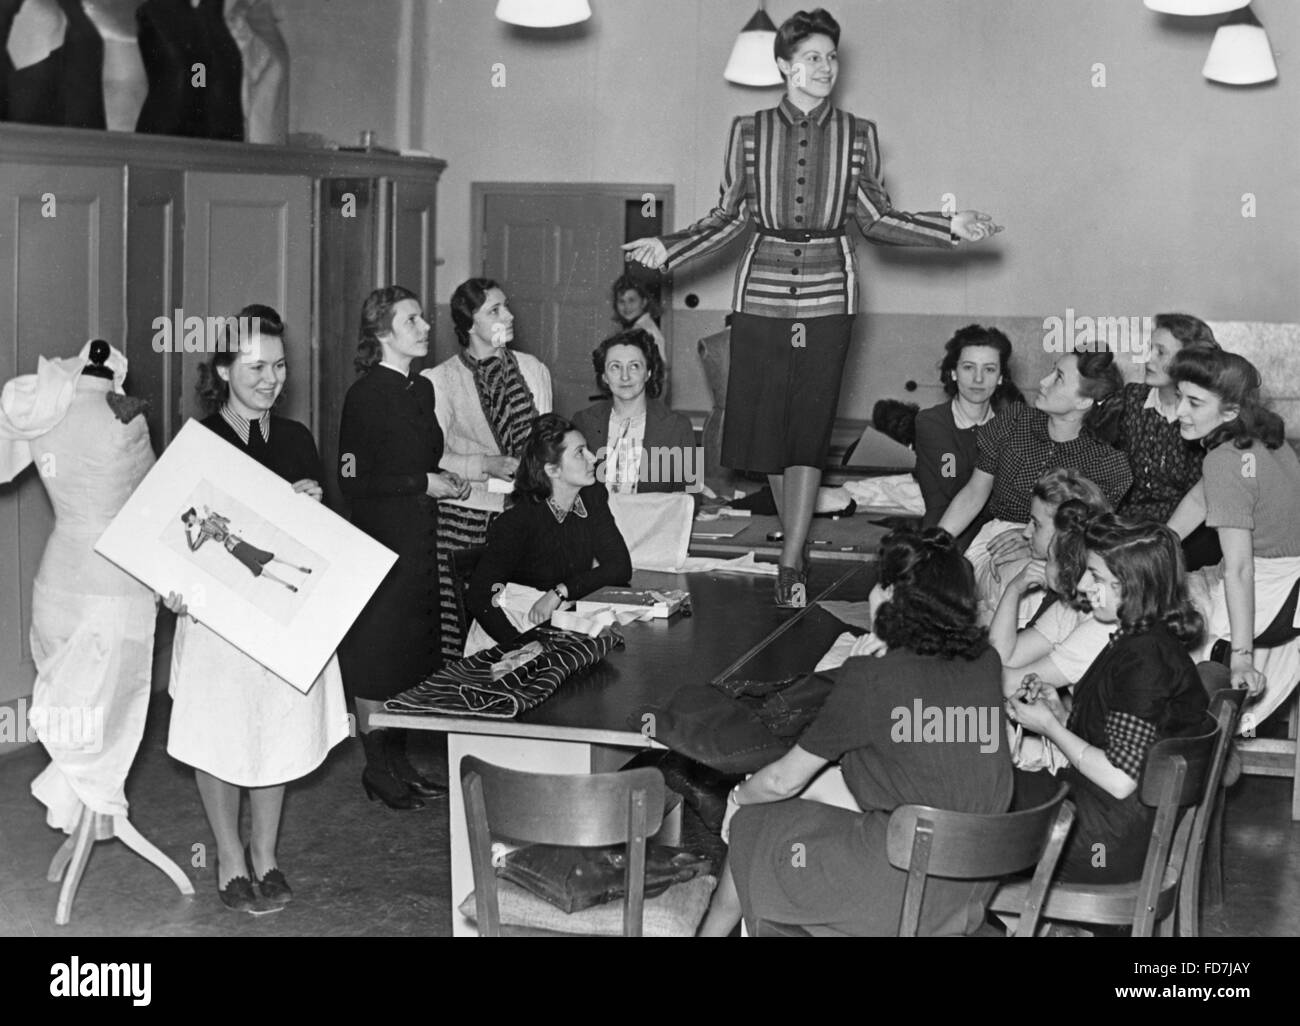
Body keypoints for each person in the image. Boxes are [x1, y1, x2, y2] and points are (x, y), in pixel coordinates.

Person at [623, 7, 1001, 606]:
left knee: (806, 431)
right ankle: (792, 542)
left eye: (831, 58)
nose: (825, 67)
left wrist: (947, 225)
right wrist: (668, 247)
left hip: (829, 295)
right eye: (813, 58)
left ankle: (791, 559)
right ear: (784, 66)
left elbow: (877, 220)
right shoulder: (748, 131)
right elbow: (730, 217)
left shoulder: (859, 134)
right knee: (765, 432)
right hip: (762, 295)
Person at [696, 528, 1011, 936]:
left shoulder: (873, 678)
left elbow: (780, 781)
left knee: (754, 824)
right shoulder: (985, 663)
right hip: (967, 890)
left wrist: (737, 800)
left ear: (893, 598)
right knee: (786, 810)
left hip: (899, 891)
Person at [163, 306, 350, 913]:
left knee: (276, 730)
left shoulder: (296, 440)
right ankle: (229, 854)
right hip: (216, 622)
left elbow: (324, 544)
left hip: (280, 618)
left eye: (279, 365)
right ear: (223, 368)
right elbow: (174, 537)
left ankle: (266, 853)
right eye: (255, 367)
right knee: (219, 731)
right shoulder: (198, 443)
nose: (271, 378)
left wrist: (314, 509)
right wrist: (170, 587)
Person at [1008, 516, 1209, 886]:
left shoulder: (1145, 658)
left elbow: (1120, 778)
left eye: (1096, 577)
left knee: (977, 804)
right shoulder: (1143, 640)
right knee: (987, 790)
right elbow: (1125, 741)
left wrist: (1049, 727)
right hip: (1109, 823)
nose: (1083, 585)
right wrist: (1062, 713)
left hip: (1103, 842)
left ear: (1132, 586)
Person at [338, 286, 470, 811]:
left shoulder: (421, 391)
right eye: (411, 320)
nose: (424, 327)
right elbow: (352, 478)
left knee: (408, 656)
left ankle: (399, 762)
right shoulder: (364, 395)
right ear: (382, 332)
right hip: (378, 543)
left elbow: (419, 460)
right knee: (376, 657)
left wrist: (443, 479)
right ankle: (377, 767)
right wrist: (422, 483)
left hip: (419, 542)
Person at [938, 350, 1133, 619]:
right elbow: (974, 493)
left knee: (1052, 586)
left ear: (1084, 400)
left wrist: (1035, 541)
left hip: (1064, 555)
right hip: (997, 543)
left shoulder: (1108, 462)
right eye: (1052, 371)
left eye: (1058, 378)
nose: (1043, 381)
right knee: (1023, 581)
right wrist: (934, 544)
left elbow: (1088, 539)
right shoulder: (1015, 421)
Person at [1169, 348, 1300, 723]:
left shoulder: (1224, 458)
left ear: (1229, 412)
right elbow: (1201, 494)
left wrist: (1242, 659)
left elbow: (1240, 569)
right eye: (1180, 396)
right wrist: (1161, 540)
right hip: (1289, 582)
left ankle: (1202, 739)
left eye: (1194, 402)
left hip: (1272, 592)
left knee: (1170, 623)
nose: (1180, 411)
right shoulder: (1263, 438)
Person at [423, 278, 552, 659]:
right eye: (494, 310)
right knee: (466, 633)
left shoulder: (533, 370)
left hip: (523, 520)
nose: (509, 316)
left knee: (523, 626)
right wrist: (485, 465)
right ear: (469, 324)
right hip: (465, 521)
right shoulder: (440, 380)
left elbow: (546, 443)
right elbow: (432, 457)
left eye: (506, 306)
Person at [466, 413, 632, 649]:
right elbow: (480, 596)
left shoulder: (591, 498)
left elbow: (619, 566)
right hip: (511, 629)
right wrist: (519, 646)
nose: (593, 458)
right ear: (553, 470)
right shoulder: (518, 522)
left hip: (558, 622)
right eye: (580, 452)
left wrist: (560, 592)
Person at [1115, 313, 1221, 569]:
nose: (1148, 358)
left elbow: (1204, 501)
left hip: (1187, 535)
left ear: (1190, 362)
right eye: (1150, 348)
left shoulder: (1206, 416)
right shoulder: (1132, 399)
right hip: (1127, 527)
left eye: (1160, 352)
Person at [914, 324, 1023, 548]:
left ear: (1001, 377)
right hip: (947, 538)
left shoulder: (1013, 425)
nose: (978, 379)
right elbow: (954, 484)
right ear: (953, 372)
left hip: (1000, 537)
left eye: (990, 369)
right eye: (968, 367)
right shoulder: (932, 422)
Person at [571, 327, 697, 494]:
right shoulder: (583, 422)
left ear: (648, 373)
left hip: (653, 519)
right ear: (604, 377)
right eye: (615, 367)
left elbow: (691, 494)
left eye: (634, 366)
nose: (625, 376)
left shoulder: (678, 426)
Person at [610, 272, 667, 369]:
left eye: (631, 300)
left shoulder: (642, 330)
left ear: (644, 302)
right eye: (621, 301)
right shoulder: (641, 326)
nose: (626, 307)